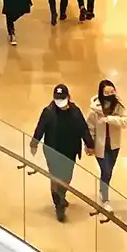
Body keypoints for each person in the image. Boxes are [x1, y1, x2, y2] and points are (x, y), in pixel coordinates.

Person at [30, 83, 93, 220]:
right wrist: (34, 143)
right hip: (53, 152)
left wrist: (90, 144)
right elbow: (40, 128)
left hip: (70, 151)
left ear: (68, 97)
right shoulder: (48, 112)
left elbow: (83, 128)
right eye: (57, 98)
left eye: (62, 98)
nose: (60, 101)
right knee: (55, 177)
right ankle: (58, 205)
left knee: (66, 177)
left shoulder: (75, 111)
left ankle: (62, 195)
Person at [87, 80, 127, 205]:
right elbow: (90, 128)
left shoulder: (119, 106)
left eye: (112, 91)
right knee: (106, 170)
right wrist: (89, 146)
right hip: (100, 146)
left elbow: (125, 121)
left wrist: (110, 119)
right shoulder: (95, 110)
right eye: (106, 92)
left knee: (109, 170)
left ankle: (103, 190)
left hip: (114, 145)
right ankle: (105, 197)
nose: (110, 94)